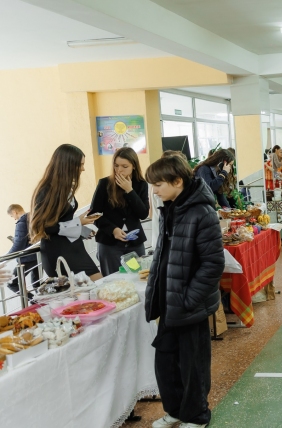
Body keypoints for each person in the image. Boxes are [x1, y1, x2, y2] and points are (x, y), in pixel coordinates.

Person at [144, 155, 224, 428]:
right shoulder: (171, 207)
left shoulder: (202, 212)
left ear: (177, 181)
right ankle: (176, 410)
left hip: (189, 305)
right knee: (166, 361)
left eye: (158, 184)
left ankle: (197, 416)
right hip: (169, 301)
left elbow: (213, 264)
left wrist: (189, 299)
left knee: (193, 365)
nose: (154, 190)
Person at [29, 144, 101, 279]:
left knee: (97, 284)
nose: (83, 169)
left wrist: (82, 228)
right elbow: (45, 226)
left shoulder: (64, 188)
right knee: (95, 285)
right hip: (59, 252)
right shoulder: (47, 191)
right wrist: (78, 222)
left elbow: (63, 220)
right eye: (80, 165)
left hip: (74, 248)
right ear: (67, 165)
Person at [90, 147, 150, 277]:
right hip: (110, 244)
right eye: (116, 165)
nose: (119, 170)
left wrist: (130, 191)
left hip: (134, 243)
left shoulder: (141, 184)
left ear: (134, 166)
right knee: (113, 280)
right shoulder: (104, 183)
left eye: (124, 166)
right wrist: (113, 229)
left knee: (137, 277)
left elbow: (143, 214)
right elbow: (93, 215)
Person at [5, 204, 38, 294]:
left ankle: (32, 299)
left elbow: (19, 245)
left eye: (12, 216)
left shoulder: (21, 223)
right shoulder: (33, 218)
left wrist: (6, 257)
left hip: (28, 258)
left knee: (11, 283)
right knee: (37, 284)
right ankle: (37, 300)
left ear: (15, 212)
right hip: (37, 255)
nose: (14, 219)